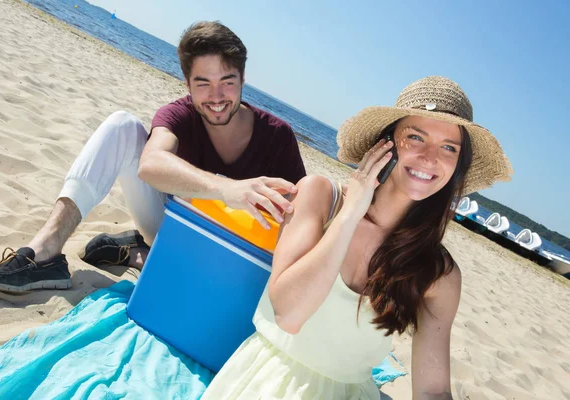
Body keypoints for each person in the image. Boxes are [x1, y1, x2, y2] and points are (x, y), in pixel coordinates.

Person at [201, 76, 513, 399]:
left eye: (449, 148)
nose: (430, 157)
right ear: (387, 143)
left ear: (457, 166)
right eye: (416, 137)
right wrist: (350, 214)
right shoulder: (320, 197)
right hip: (268, 382)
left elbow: (432, 391)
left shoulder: (439, 274)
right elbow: (289, 315)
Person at [0, 21, 306, 293]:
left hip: (231, 257)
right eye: (202, 83)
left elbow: (307, 214)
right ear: (187, 84)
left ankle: (139, 253)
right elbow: (150, 164)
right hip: (171, 227)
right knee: (123, 125)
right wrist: (227, 188)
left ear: (244, 79)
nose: (216, 97)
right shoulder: (179, 114)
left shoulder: (277, 135)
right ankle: (45, 253)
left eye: (227, 82)